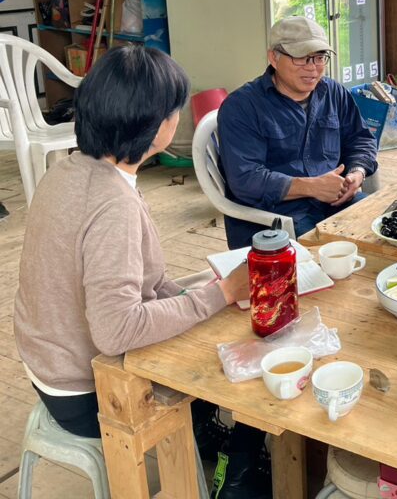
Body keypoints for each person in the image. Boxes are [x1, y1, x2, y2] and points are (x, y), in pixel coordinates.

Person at [13, 46, 267, 499]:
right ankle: (238, 466)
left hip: (48, 361)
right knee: (236, 355)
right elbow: (116, 330)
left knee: (209, 306)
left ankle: (206, 434)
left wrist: (210, 292)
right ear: (155, 128)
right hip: (83, 388)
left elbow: (140, 283)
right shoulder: (113, 203)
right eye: (175, 110)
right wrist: (221, 294)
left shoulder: (70, 170)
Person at [218, 16, 379, 248]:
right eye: (302, 58)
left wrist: (357, 172)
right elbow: (245, 178)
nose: (313, 68)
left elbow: (360, 139)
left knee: (382, 230)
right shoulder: (242, 107)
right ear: (274, 57)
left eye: (320, 57)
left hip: (336, 201)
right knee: (326, 259)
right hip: (275, 218)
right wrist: (311, 187)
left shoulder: (333, 93)